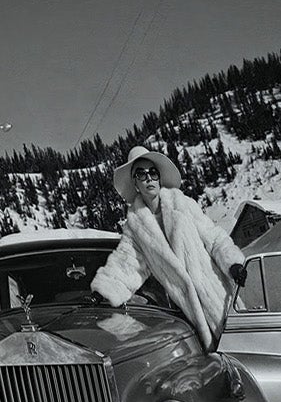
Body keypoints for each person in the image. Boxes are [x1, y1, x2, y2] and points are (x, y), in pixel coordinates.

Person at [91, 146, 248, 341]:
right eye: (141, 174)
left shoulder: (183, 205)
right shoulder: (136, 228)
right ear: (135, 183)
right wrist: (104, 292)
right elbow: (127, 265)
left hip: (218, 296)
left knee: (246, 350)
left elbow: (214, 238)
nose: (148, 178)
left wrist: (233, 264)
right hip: (188, 315)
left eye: (153, 172)